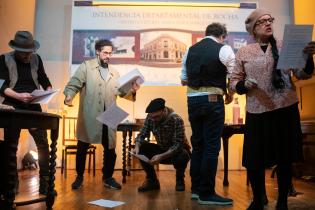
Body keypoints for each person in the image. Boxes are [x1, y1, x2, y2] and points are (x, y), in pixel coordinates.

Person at [229, 9, 315, 210]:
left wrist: (309, 57)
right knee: (254, 160)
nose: (268, 23)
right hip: (257, 110)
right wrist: (244, 85)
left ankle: (283, 201)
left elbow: (302, 75)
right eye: (262, 22)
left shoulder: (285, 46)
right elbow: (233, 82)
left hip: (285, 108)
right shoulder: (244, 51)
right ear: (253, 29)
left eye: (270, 20)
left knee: (285, 158)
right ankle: (258, 200)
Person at [64, 39, 139, 190]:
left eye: (110, 53)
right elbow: (74, 83)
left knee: (110, 148)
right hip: (90, 112)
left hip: (110, 113)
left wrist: (133, 90)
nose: (108, 56)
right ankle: (79, 177)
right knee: (83, 145)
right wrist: (69, 95)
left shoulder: (114, 72)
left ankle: (108, 177)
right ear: (97, 51)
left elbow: (121, 91)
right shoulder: (87, 66)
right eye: (105, 52)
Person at [180, 22, 235, 206]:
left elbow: (183, 80)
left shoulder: (190, 50)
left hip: (192, 101)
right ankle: (207, 193)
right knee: (212, 146)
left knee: (198, 145)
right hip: (213, 100)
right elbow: (234, 74)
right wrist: (230, 94)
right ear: (222, 36)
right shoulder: (224, 48)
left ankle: (196, 189)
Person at [0, 31, 53, 195]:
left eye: (30, 51)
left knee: (43, 144)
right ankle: (11, 183)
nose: (28, 55)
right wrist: (18, 96)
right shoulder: (4, 59)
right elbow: (1, 86)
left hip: (33, 104)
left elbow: (44, 80)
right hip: (12, 106)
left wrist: (48, 92)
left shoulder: (37, 59)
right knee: (11, 145)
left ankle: (45, 183)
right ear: (16, 49)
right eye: (24, 53)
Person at [133, 98, 191, 192]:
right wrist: (137, 147)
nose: (153, 120)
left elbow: (178, 145)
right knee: (142, 148)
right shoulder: (150, 117)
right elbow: (142, 134)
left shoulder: (176, 119)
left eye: (156, 117)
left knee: (183, 154)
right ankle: (152, 180)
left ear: (164, 111)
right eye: (152, 117)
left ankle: (180, 180)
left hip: (177, 152)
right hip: (162, 149)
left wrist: (161, 156)